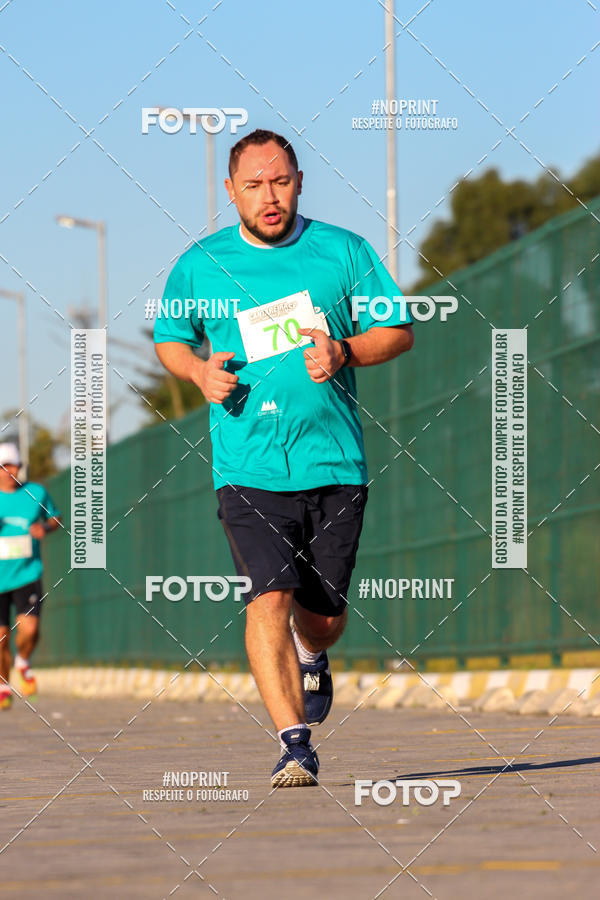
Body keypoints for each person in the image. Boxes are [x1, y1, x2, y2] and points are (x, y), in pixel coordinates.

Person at [154, 129, 414, 786]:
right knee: (266, 596)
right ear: (229, 190)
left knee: (322, 617)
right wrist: (197, 373)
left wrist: (345, 351)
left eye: (281, 181)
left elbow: (397, 330)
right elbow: (171, 340)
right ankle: (293, 743)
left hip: (334, 463)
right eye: (254, 185)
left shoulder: (343, 252)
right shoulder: (199, 265)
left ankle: (311, 652)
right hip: (248, 467)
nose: (269, 197)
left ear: (299, 180)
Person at [0, 443, 61, 709]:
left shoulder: (36, 493)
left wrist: (44, 529)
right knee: (1, 637)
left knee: (30, 629)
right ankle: (3, 686)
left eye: (13, 465)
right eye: (3, 466)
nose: (8, 471)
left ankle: (23, 661)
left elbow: (56, 518)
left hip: (28, 573)